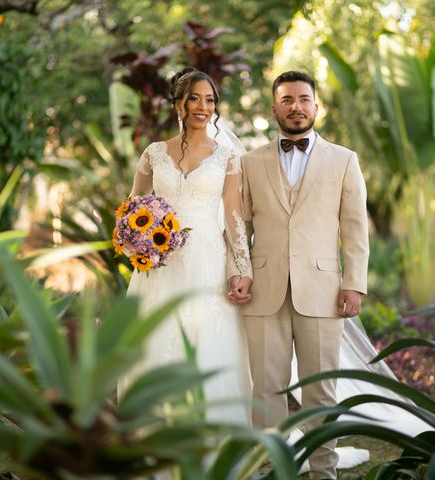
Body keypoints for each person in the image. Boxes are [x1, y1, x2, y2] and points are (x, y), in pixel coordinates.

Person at [228, 70, 369, 479]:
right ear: (274, 109)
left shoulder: (344, 160)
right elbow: (241, 227)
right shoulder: (249, 162)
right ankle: (270, 468)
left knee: (320, 390)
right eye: (287, 99)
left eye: (303, 99)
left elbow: (355, 227)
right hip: (264, 291)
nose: (296, 106)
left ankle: (324, 471)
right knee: (266, 391)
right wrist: (240, 272)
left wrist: (353, 283)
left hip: (323, 291)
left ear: (316, 106)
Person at [123, 67, 253, 425]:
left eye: (209, 100)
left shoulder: (227, 157)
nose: (202, 106)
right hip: (160, 264)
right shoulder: (153, 153)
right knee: (155, 337)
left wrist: (242, 268)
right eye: (194, 98)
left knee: (204, 338)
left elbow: (233, 216)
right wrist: (136, 241)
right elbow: (132, 205)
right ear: (177, 103)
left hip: (206, 261)